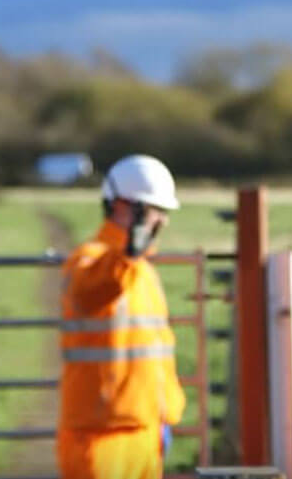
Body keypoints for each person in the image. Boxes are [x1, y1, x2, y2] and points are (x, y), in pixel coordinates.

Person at [56, 155, 186, 479]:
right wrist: (128, 253)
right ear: (124, 206)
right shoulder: (90, 260)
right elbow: (91, 290)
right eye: (156, 211)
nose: (163, 222)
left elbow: (155, 353)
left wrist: (163, 416)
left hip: (145, 435)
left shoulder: (143, 272)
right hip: (100, 441)